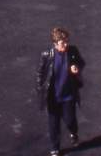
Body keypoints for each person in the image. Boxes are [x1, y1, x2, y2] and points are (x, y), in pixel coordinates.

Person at [36, 27, 85, 155]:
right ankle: (55, 147)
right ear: (55, 44)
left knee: (70, 119)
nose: (66, 44)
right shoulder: (46, 55)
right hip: (53, 96)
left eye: (66, 41)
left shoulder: (72, 51)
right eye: (63, 43)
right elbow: (40, 73)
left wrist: (76, 67)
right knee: (53, 124)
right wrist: (40, 88)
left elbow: (81, 62)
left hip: (68, 95)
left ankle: (73, 132)